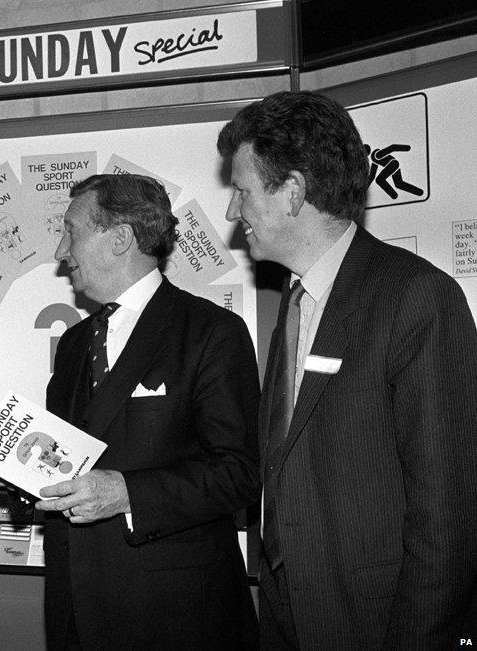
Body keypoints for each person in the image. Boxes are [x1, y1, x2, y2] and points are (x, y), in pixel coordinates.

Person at [217, 90, 477, 648]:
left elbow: (448, 515)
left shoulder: (416, 298)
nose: (233, 211)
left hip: (375, 624)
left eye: (241, 190)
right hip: (289, 615)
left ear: (292, 192)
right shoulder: (297, 300)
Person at [36, 173, 261, 648]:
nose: (60, 251)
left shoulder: (210, 332)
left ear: (120, 239)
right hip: (75, 608)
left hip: (174, 612)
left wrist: (127, 493)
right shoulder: (76, 343)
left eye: (71, 231)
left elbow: (240, 472)